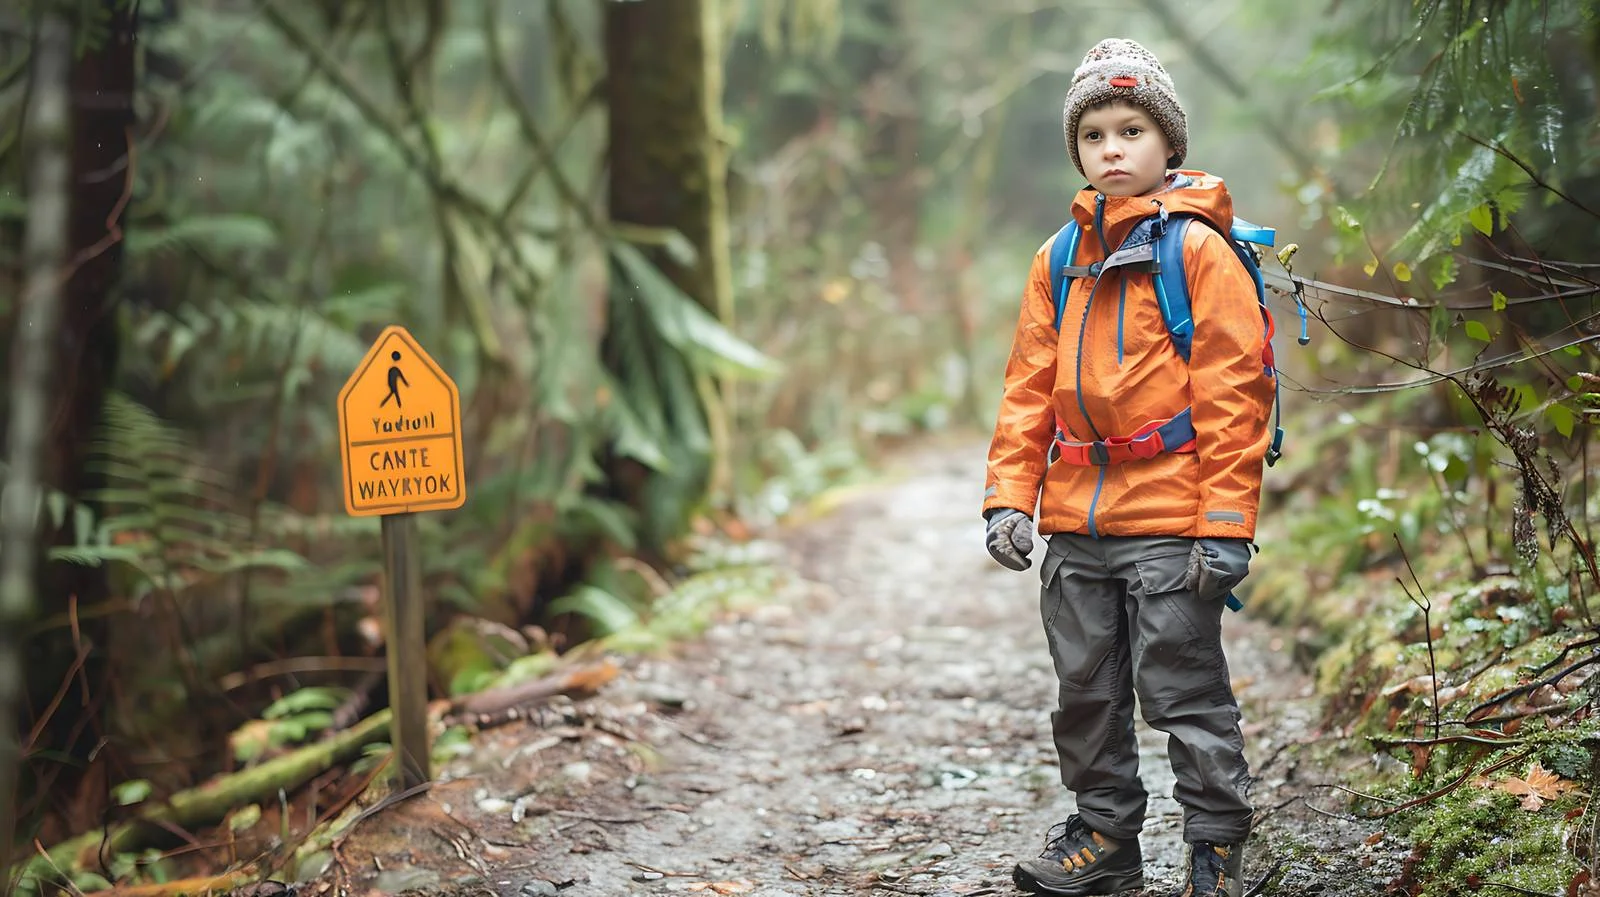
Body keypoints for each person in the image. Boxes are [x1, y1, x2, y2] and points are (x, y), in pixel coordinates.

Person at [981, 37, 1270, 897]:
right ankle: (1106, 837)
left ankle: (1215, 843)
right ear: (1076, 149)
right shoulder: (1056, 260)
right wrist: (1008, 500)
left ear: (1168, 143)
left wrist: (1226, 527)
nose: (1113, 148)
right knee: (1085, 695)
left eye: (1132, 129)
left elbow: (1233, 397)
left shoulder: (1197, 252)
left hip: (1173, 522)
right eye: (1095, 134)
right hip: (1075, 523)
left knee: (1183, 691)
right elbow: (1027, 391)